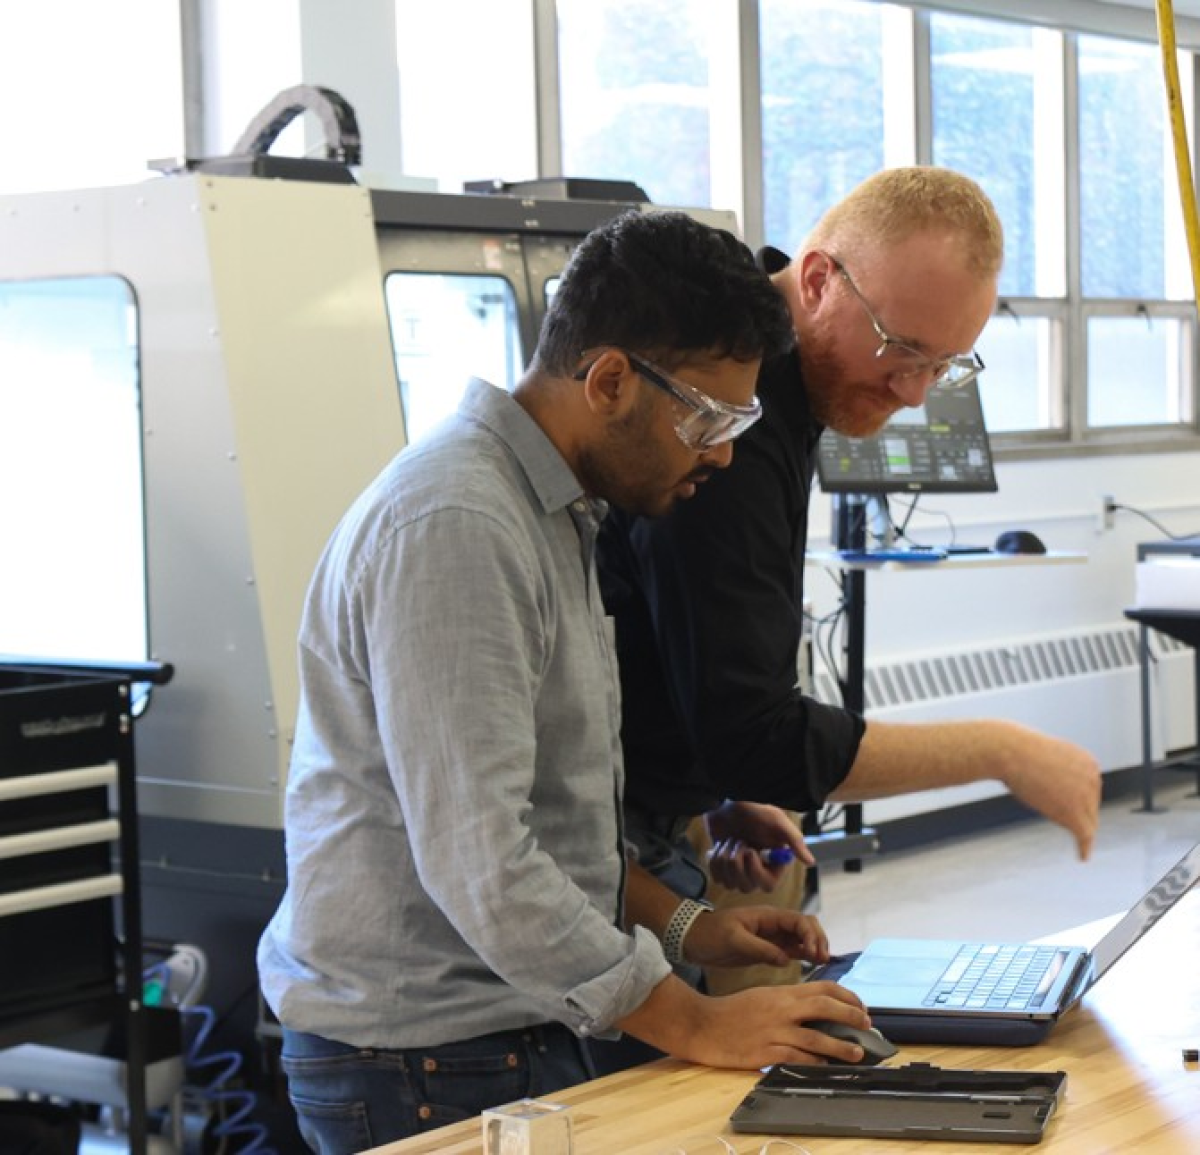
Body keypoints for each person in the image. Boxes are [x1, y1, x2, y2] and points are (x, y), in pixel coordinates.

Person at [257, 208, 875, 1154]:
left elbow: (554, 826)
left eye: (742, 423)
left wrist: (693, 933)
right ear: (611, 381)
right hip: (430, 1058)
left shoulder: (552, 513)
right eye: (708, 418)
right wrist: (697, 1020)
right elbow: (486, 864)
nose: (722, 454)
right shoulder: (459, 525)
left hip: (508, 1026)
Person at [597, 167, 1102, 906]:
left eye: (945, 364)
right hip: (599, 828)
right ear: (817, 280)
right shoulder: (734, 411)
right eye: (902, 346)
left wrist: (712, 794)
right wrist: (1001, 750)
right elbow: (754, 733)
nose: (917, 392)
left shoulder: (790, 383)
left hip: (665, 802)